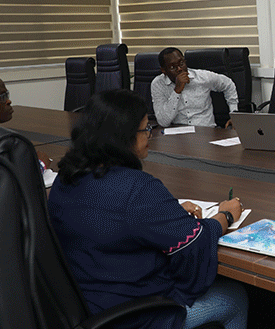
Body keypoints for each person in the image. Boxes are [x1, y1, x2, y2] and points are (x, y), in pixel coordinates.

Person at [49, 89, 248, 329]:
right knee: (235, 297)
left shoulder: (65, 178)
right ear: (123, 137)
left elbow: (112, 217)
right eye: (145, 129)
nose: (149, 136)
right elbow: (194, 244)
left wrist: (167, 211)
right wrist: (224, 216)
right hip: (135, 316)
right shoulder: (137, 189)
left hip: (85, 305)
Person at [0, 70, 52, 170]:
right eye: (1, 97)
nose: (8, 101)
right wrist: (40, 164)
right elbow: (9, 180)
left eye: (7, 95)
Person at [151, 47, 239, 128]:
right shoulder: (158, 84)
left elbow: (228, 84)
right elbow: (163, 122)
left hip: (206, 132)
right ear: (163, 70)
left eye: (181, 63)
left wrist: (234, 114)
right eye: (172, 67)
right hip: (177, 135)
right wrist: (177, 91)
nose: (179, 69)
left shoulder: (202, 77)